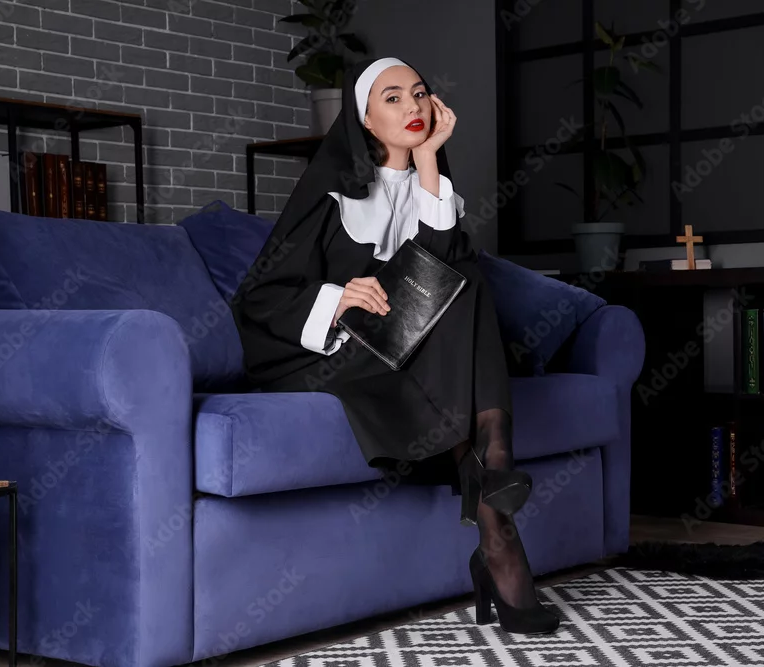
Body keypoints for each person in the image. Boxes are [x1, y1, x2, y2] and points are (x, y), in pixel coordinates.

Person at [231, 57, 559, 635]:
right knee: (459, 278)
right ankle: (497, 487)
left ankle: (495, 499)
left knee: (464, 275)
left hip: (412, 348)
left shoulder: (434, 190)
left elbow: (442, 273)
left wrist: (429, 159)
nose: (413, 106)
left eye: (420, 93)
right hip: (340, 356)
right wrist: (337, 296)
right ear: (363, 117)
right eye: (393, 97)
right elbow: (258, 297)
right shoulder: (330, 197)